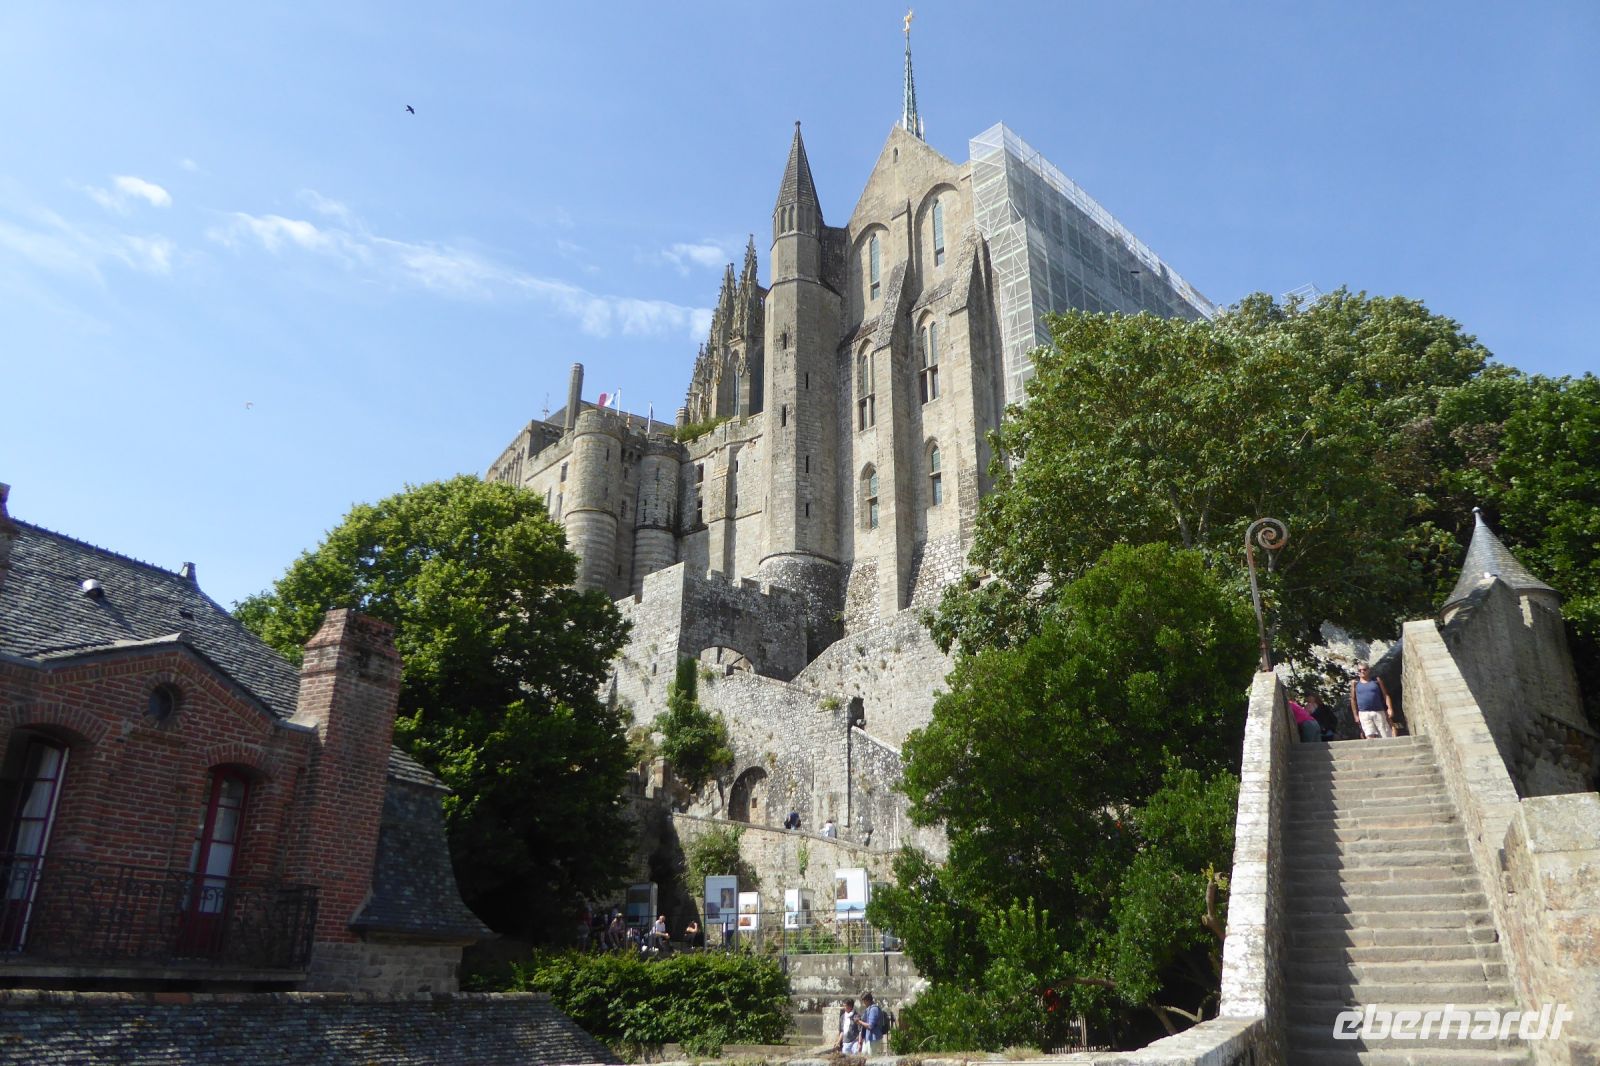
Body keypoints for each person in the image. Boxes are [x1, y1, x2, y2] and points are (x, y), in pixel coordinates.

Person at [1350, 663, 1396, 739]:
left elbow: (1385, 694)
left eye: (1364, 669)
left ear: (1368, 670)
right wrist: (1355, 715)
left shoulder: (1376, 680)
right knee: (1369, 736)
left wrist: (1389, 708)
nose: (1362, 672)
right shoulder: (1355, 683)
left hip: (1378, 711)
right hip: (1363, 713)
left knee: (1385, 735)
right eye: (1360, 670)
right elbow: (1353, 699)